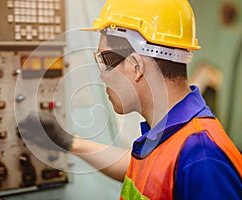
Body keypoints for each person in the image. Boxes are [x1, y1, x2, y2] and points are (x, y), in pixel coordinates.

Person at [19, 0, 242, 199]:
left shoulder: (202, 157)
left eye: (104, 62)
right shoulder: (169, 135)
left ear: (136, 66)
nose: (102, 75)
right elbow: (140, 168)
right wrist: (68, 142)